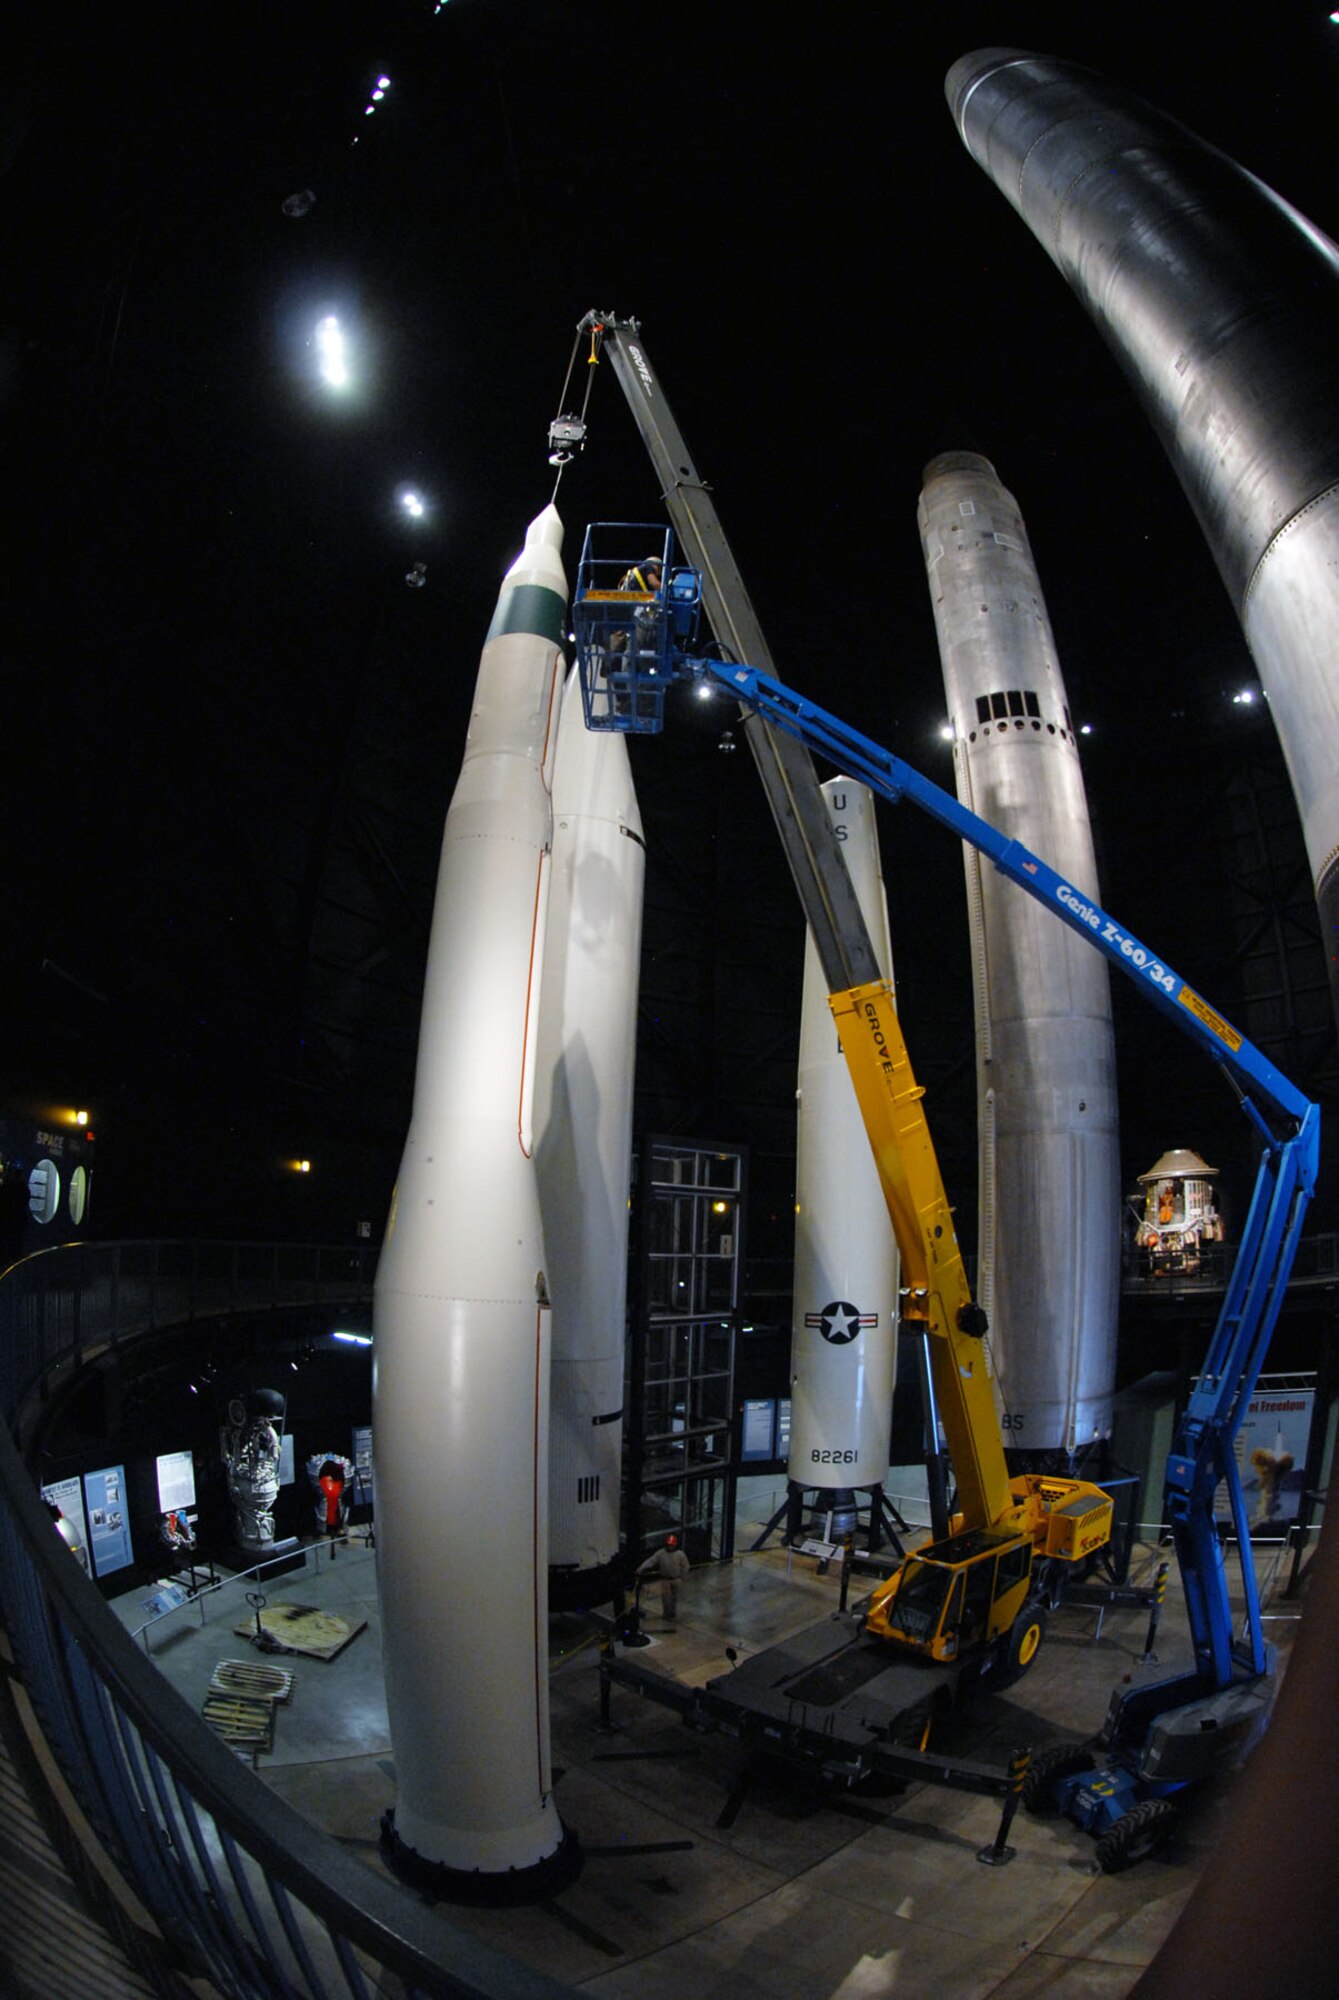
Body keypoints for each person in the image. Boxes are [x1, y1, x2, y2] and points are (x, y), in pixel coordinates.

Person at [637, 1533, 690, 1623]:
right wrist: (641, 1568)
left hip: (676, 1579)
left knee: (674, 1599)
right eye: (669, 1545)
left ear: (675, 1545)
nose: (670, 1547)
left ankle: (672, 1614)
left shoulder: (680, 1554)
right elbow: (651, 1561)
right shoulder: (661, 1553)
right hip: (665, 1580)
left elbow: (686, 1566)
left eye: (672, 1545)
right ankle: (666, 1614)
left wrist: (682, 1578)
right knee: (666, 1599)